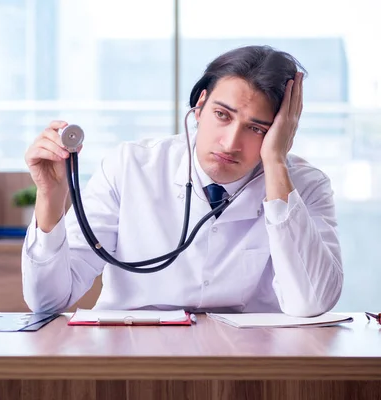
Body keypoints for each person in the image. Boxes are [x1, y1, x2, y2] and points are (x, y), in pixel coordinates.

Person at [21, 45, 343, 317]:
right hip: (133, 357)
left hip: (248, 366)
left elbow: (310, 302)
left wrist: (274, 163)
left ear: (281, 131)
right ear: (199, 106)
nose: (230, 143)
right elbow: (48, 300)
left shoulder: (305, 186)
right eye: (222, 115)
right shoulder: (130, 166)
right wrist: (50, 195)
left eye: (256, 129)